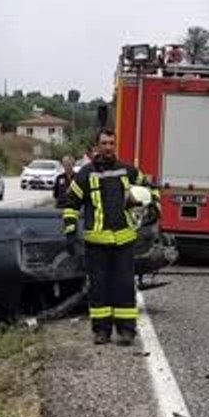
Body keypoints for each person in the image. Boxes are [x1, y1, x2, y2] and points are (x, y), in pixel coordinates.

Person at [62, 128, 159, 346]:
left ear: (115, 145)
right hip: (96, 244)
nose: (108, 147)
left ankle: (126, 331)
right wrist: (69, 233)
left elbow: (150, 190)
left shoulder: (128, 171)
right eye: (104, 143)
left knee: (124, 287)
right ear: (96, 146)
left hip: (124, 242)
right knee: (99, 289)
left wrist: (154, 211)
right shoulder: (85, 174)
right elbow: (71, 205)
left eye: (111, 143)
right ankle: (101, 332)